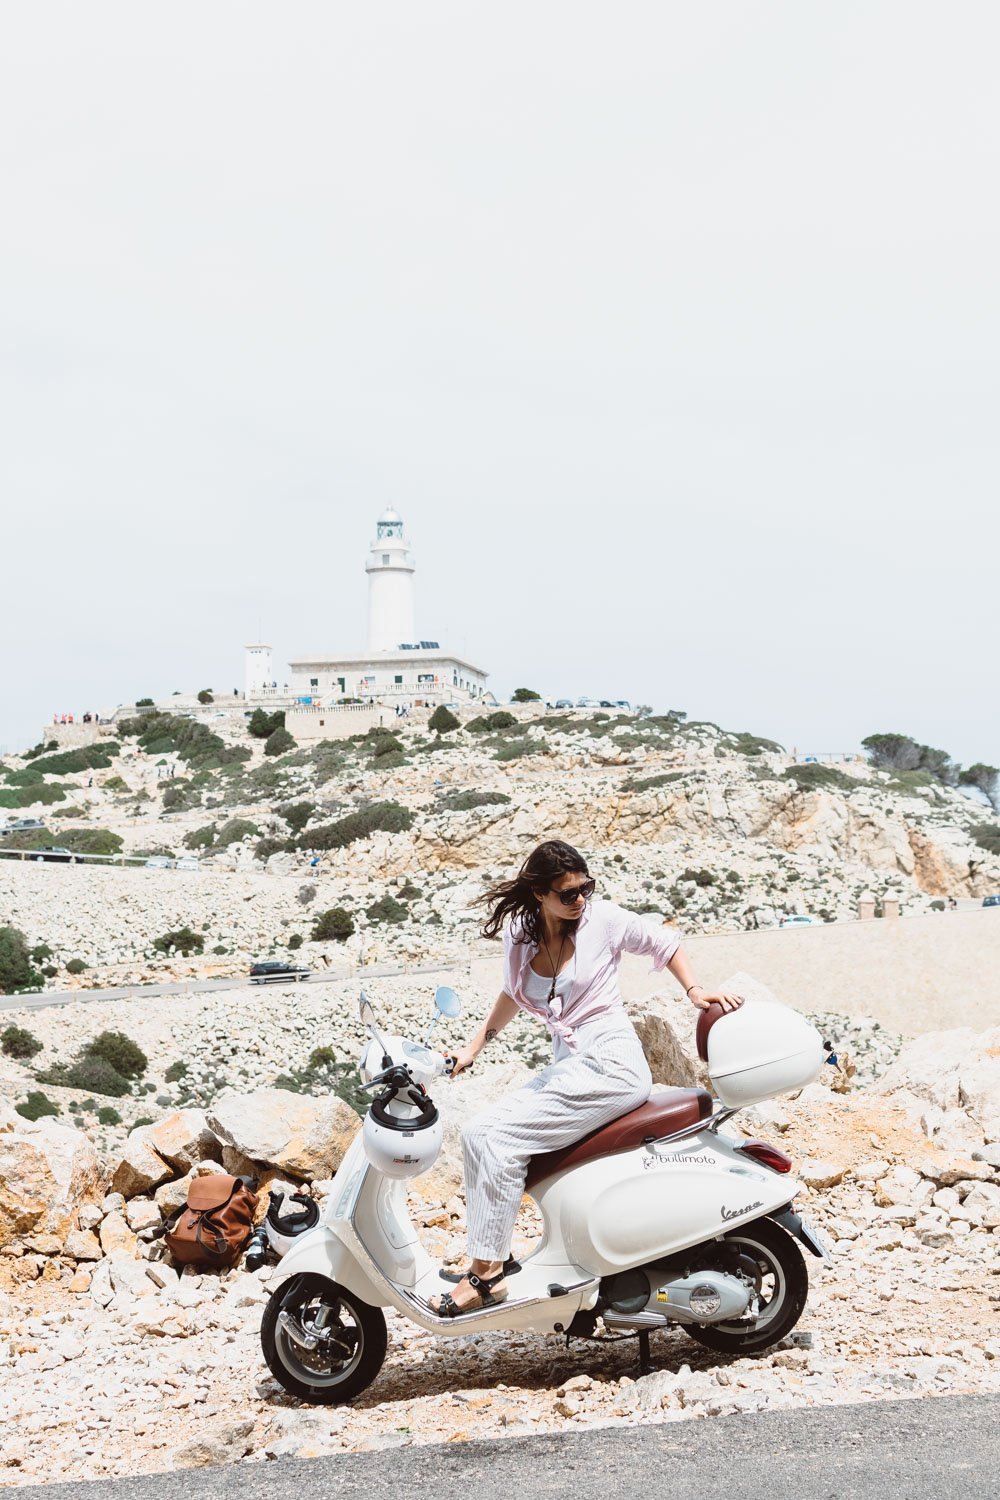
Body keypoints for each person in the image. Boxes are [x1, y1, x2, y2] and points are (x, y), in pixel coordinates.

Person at [428, 840, 743, 1317]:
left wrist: (696, 992)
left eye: (585, 888)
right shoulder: (521, 936)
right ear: (540, 894)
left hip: (613, 1063)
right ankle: (492, 1260)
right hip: (573, 1065)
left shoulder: (604, 920)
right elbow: (513, 993)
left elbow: (665, 942)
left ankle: (486, 1275)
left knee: (495, 1139)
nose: (580, 900)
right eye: (568, 893)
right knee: (476, 1135)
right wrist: (474, 1048)